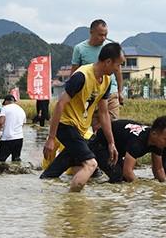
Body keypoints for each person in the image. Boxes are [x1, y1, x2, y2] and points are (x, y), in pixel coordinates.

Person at [41, 42, 125, 191]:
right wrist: (51, 138)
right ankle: (73, 205)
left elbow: (104, 113)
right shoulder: (82, 76)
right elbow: (60, 104)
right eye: (118, 65)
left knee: (61, 166)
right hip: (65, 125)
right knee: (91, 164)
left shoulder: (106, 81)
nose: (119, 69)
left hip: (80, 129)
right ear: (108, 62)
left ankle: (43, 184)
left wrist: (111, 143)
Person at [89, 117, 166, 183]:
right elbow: (127, 172)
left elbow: (158, 169)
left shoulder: (157, 142)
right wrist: (140, 190)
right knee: (118, 178)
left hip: (116, 149)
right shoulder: (138, 142)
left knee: (124, 179)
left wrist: (165, 187)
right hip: (100, 144)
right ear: (154, 134)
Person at [71, 19, 124, 121]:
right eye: (100, 35)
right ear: (91, 32)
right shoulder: (79, 48)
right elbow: (74, 71)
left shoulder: (111, 47)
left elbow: (118, 70)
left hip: (110, 91)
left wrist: (120, 91)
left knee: (113, 123)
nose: (103, 38)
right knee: (93, 124)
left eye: (105, 35)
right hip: (90, 93)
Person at [0, 94, 27, 162]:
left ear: (6, 101)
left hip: (7, 139)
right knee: (16, 160)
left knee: (0, 161)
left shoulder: (5, 108)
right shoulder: (21, 110)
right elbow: (22, 125)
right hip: (19, 139)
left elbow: (0, 122)